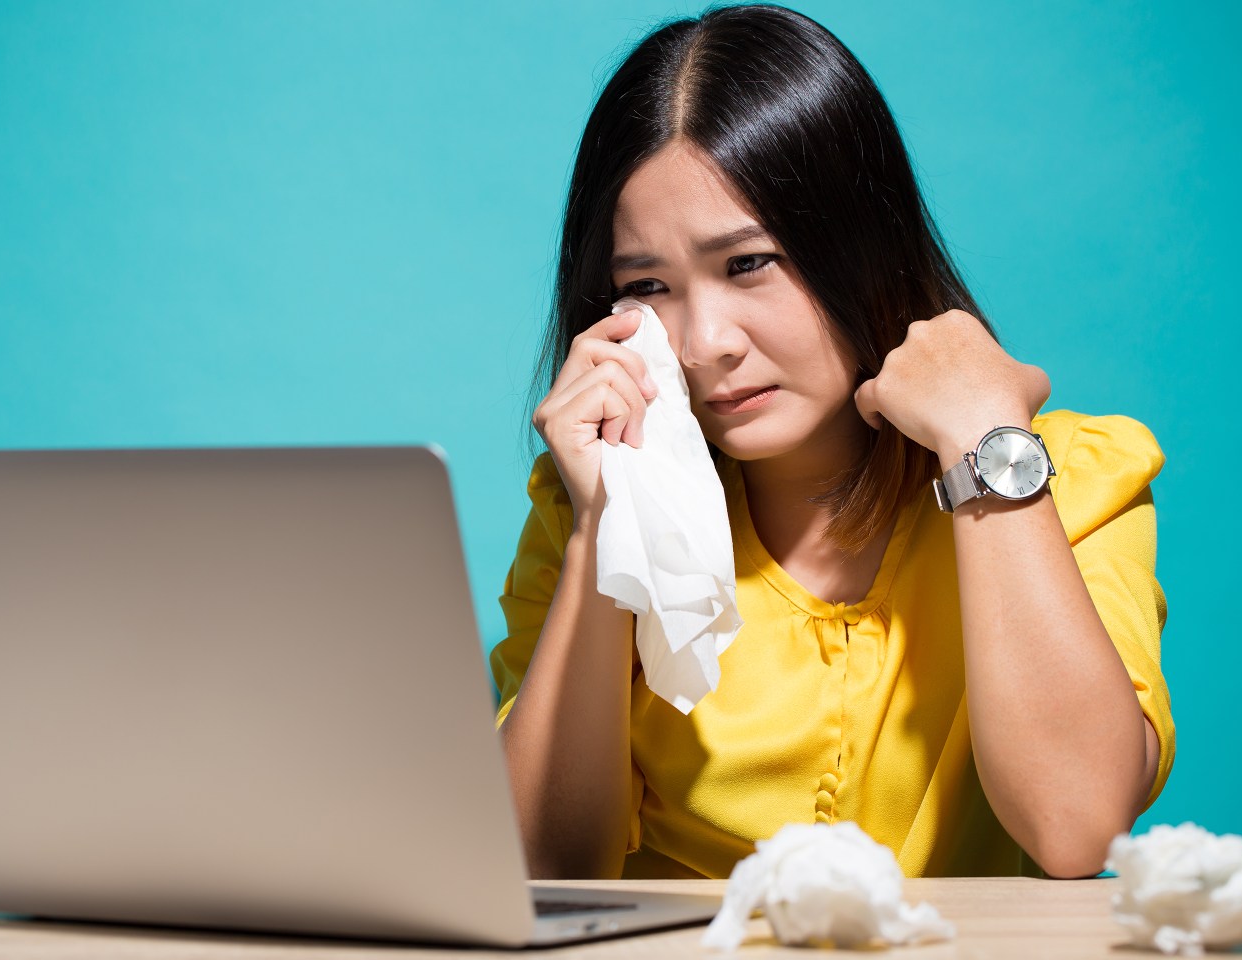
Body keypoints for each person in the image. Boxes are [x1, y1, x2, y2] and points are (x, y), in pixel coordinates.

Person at [489, 3, 1173, 882]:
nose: (705, 344)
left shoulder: (1060, 475)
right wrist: (601, 535)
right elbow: (538, 874)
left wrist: (983, 439)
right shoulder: (588, 498)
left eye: (748, 264)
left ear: (864, 244)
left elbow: (1076, 826)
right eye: (649, 285)